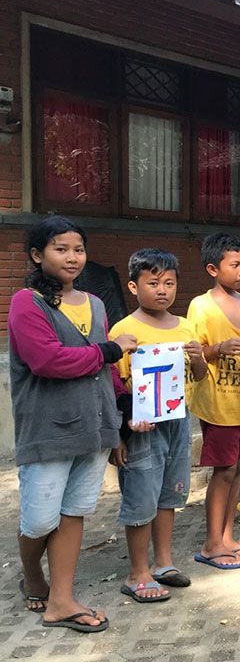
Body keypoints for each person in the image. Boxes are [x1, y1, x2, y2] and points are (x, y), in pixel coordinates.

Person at [10, 216, 136, 632]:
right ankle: (32, 570)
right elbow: (47, 360)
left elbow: (110, 372)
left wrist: (121, 415)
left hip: (95, 424)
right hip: (48, 428)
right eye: (60, 249)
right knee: (40, 521)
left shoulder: (96, 304)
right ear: (37, 255)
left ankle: (61, 601)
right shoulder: (27, 303)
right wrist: (110, 350)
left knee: (74, 512)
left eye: (78, 249)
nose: (72, 257)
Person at [109, 249, 208, 599]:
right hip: (141, 427)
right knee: (140, 497)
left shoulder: (186, 326)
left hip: (178, 422)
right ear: (134, 286)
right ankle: (137, 572)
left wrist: (198, 359)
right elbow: (114, 385)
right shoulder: (123, 330)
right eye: (153, 283)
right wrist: (117, 435)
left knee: (170, 494)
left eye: (169, 282)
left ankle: (163, 561)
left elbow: (197, 376)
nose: (162, 290)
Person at [187, 233, 240, 569]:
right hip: (217, 402)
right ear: (212, 268)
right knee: (224, 470)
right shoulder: (200, 306)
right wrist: (218, 349)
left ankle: (229, 536)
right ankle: (211, 542)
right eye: (234, 265)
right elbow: (190, 353)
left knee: (237, 470)